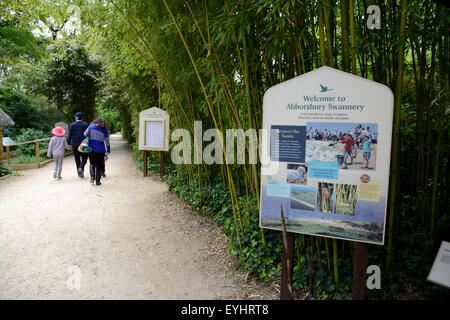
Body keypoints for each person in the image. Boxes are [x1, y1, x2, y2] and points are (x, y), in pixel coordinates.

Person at [84, 117, 110, 185]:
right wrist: (108, 149)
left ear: (96, 121)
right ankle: (98, 181)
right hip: (101, 150)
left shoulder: (90, 127)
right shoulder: (105, 130)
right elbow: (107, 141)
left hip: (91, 149)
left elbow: (84, 134)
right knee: (99, 165)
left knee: (92, 163)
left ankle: (92, 178)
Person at [67, 112, 89, 178]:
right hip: (83, 144)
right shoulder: (85, 125)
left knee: (77, 159)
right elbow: (88, 134)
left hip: (75, 144)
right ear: (82, 118)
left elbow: (69, 136)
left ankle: (79, 173)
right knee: (85, 158)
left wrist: (67, 144)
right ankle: (81, 167)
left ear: (76, 118)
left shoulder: (72, 125)